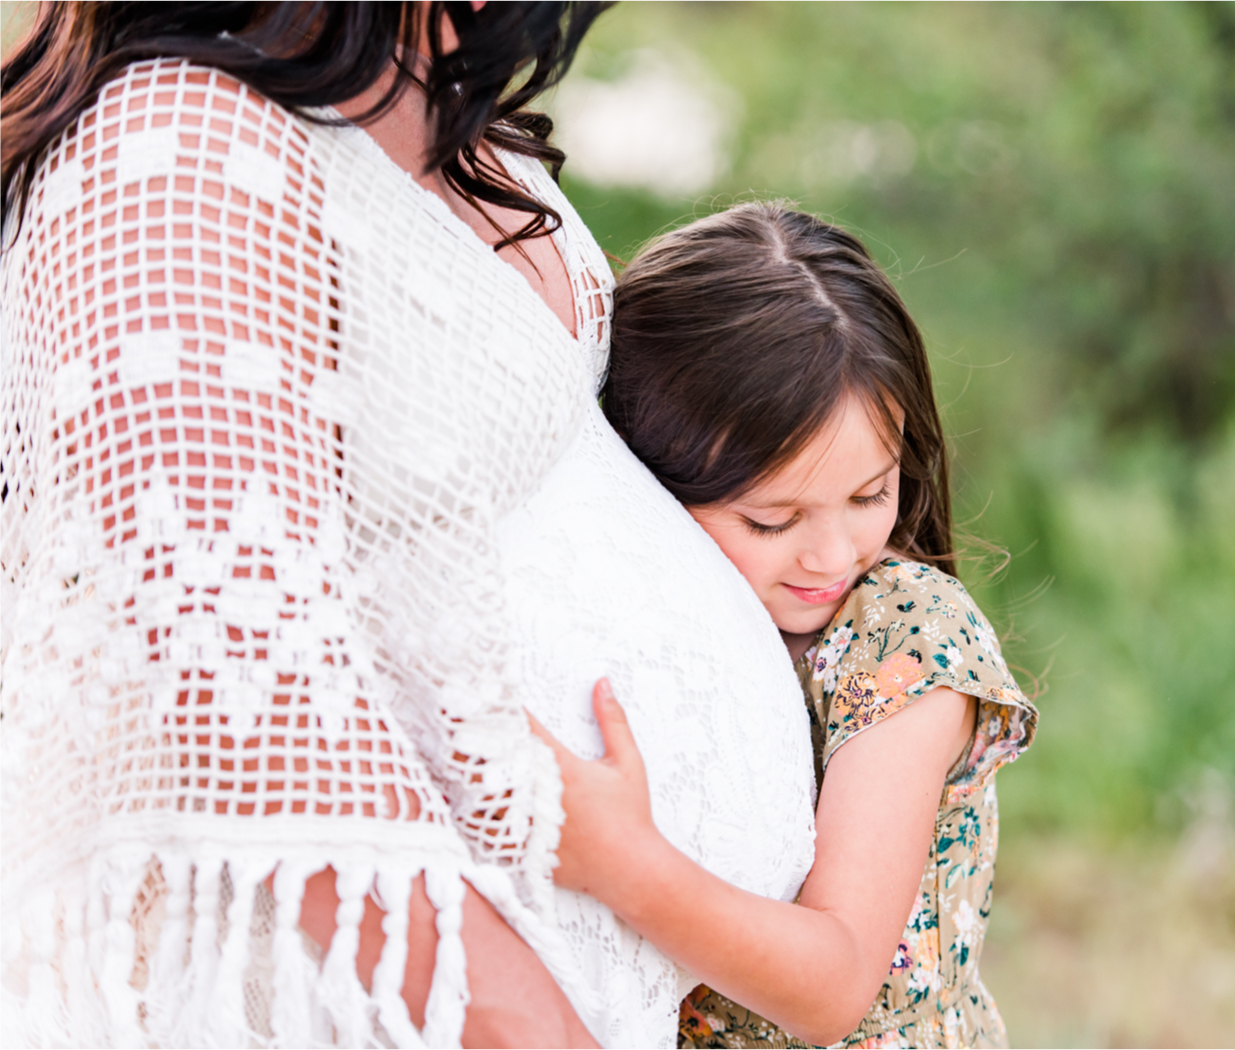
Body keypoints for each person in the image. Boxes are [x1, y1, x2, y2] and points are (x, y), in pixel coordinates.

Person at [0, 6, 814, 1047]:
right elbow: (244, 708)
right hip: (380, 1005)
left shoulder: (434, 92)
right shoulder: (179, 152)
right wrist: (539, 1031)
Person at [531, 202, 1039, 1049]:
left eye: (871, 494)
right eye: (773, 520)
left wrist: (620, 860)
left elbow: (836, 983)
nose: (832, 555)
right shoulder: (657, 608)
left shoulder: (904, 638)